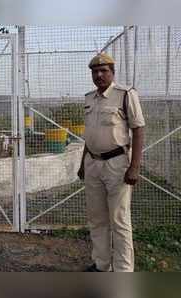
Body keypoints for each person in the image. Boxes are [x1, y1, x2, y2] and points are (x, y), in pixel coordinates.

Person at [78, 52, 145, 272]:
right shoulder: (89, 98)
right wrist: (82, 164)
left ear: (112, 72)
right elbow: (90, 135)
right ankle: (101, 264)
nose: (99, 75)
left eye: (103, 70)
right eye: (95, 72)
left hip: (117, 164)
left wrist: (134, 166)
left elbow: (138, 129)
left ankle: (124, 271)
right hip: (92, 164)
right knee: (97, 218)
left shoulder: (125, 94)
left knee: (119, 219)